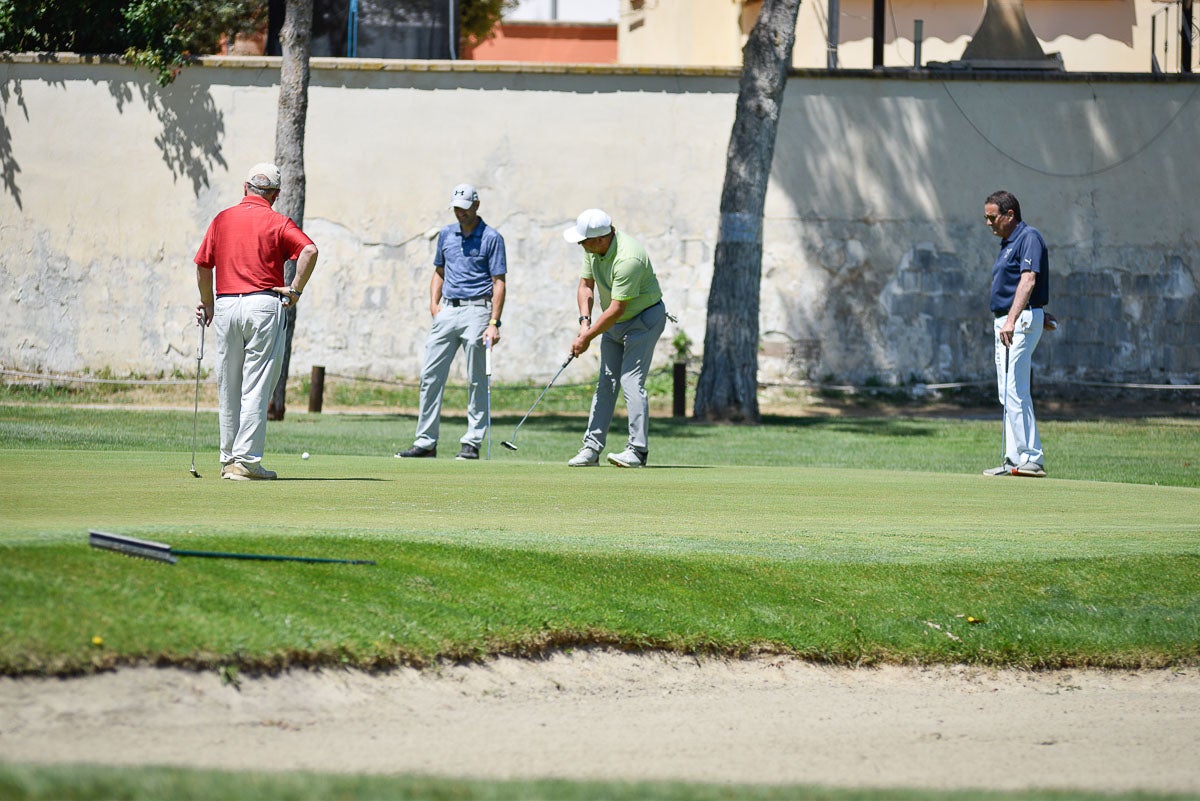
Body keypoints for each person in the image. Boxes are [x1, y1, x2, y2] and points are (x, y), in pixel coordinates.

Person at [195, 162, 318, 480]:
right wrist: (295, 291)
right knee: (256, 385)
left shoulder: (222, 219)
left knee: (229, 384)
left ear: (245, 187)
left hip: (225, 305)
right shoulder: (277, 220)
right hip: (263, 304)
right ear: (275, 194)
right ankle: (246, 462)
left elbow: (203, 265)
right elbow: (309, 251)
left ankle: (228, 459)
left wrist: (207, 304)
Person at [396, 183, 506, 460]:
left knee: (477, 380)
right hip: (447, 311)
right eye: (457, 208)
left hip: (478, 312)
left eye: (465, 208)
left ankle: (472, 442)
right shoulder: (446, 234)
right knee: (430, 376)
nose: (460, 213)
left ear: (476, 206)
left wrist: (494, 322)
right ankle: (425, 442)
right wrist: (434, 305)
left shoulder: (492, 238)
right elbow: (439, 271)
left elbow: (499, 282)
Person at [562, 208, 667, 468]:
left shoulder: (628, 258)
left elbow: (617, 308)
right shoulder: (593, 249)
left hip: (643, 319)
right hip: (613, 321)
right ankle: (591, 448)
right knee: (606, 382)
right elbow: (586, 286)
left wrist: (587, 338)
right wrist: (584, 322)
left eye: (583, 240)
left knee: (630, 381)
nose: (580, 245)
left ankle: (637, 451)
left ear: (601, 239)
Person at [982, 189, 1051, 478]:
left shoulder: (1029, 237)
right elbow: (1014, 286)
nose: (988, 223)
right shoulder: (1009, 242)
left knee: (1015, 390)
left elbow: (1029, 280)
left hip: (1017, 322)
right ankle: (1013, 459)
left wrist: (1015, 318)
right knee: (1005, 392)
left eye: (992, 217)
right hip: (1011, 320)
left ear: (1010, 214)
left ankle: (1032, 457)